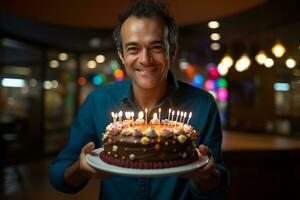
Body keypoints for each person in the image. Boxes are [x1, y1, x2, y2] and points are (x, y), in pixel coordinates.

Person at [49, 0, 229, 199]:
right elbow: (58, 175)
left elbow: (218, 186)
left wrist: (205, 176)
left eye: (157, 47)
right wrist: (81, 169)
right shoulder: (97, 102)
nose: (145, 59)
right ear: (121, 55)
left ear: (173, 51)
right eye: (133, 49)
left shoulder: (203, 105)